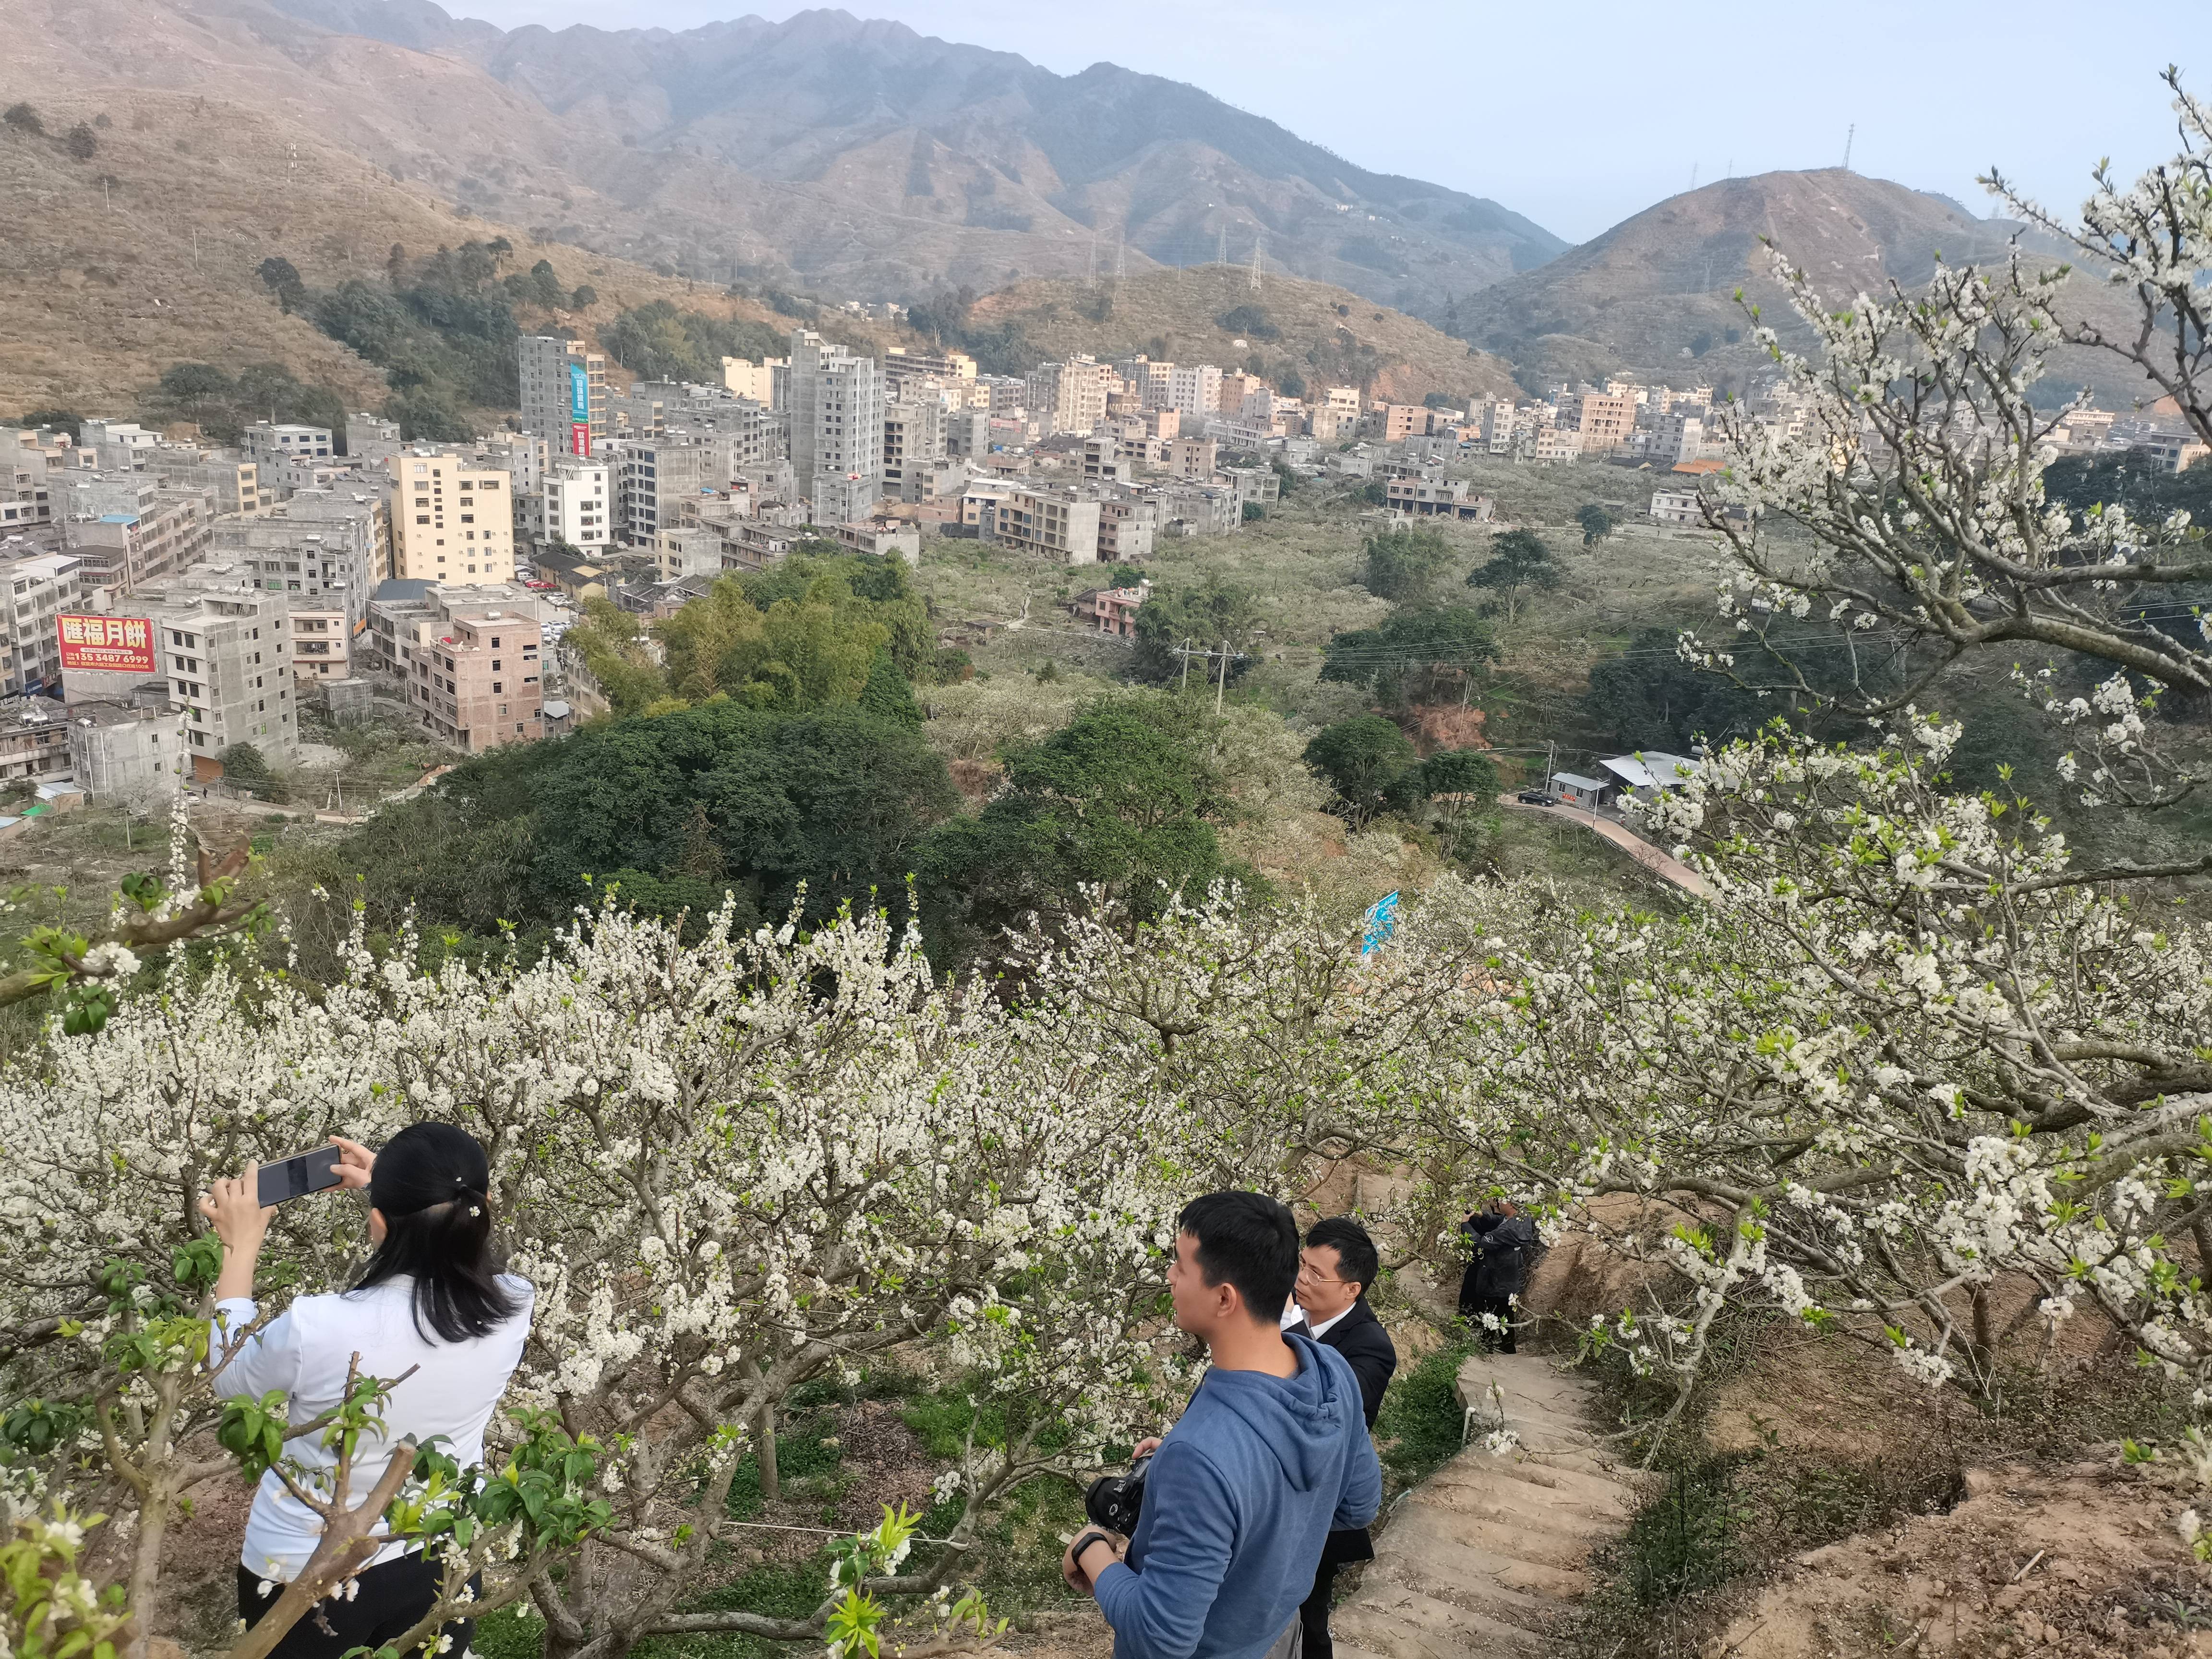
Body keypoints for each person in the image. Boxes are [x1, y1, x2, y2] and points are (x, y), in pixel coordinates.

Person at [198, 1124, 535, 1659]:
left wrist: (240, 1248)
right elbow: (450, 1233)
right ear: (484, 1204)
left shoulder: (320, 1326)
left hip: (308, 1568)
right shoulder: (515, 1303)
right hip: (439, 1547)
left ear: (378, 1224)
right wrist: (409, 1189)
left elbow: (228, 1374)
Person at [1062, 1192, 1381, 1659]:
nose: (1169, 1276)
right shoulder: (1331, 1371)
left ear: (1224, 1297)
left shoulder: (1201, 1458)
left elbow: (1161, 1639)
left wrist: (1092, 1550)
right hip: (1280, 1636)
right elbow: (1358, 1504)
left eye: (1181, 1266)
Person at [1282, 1218, 1396, 1659]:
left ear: (1351, 1290)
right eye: (1302, 1265)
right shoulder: (1294, 1326)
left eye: (1315, 1273)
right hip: (1279, 1495)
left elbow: (1333, 1419)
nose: (1301, 1279)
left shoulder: (1370, 1346)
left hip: (1321, 1507)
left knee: (1310, 1620)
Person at [1457, 1200, 1536, 1354]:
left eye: (1503, 1201)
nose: (1499, 1203)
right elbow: (1500, 1221)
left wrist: (1465, 1225)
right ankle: (1508, 1345)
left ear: (1512, 1205)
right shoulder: (1523, 1219)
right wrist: (1481, 1216)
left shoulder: (1508, 1231)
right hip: (1510, 1275)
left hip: (1496, 1274)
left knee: (1490, 1309)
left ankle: (1487, 1344)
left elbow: (1481, 1243)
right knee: (1505, 1309)